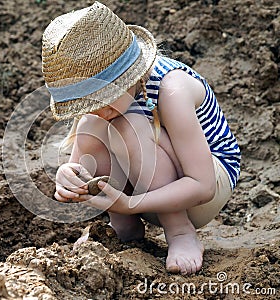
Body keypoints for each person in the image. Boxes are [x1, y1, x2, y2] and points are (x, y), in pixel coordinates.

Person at [42, 2, 240, 275]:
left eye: (105, 98)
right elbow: (81, 165)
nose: (99, 108)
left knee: (130, 123)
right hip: (152, 193)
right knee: (92, 125)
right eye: (87, 102)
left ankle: (180, 233)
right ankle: (124, 228)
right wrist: (69, 176)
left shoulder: (172, 88)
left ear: (131, 75)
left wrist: (130, 204)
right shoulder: (102, 110)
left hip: (202, 192)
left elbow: (202, 185)